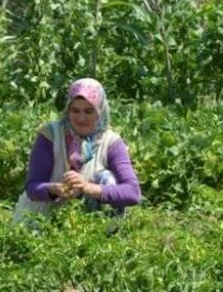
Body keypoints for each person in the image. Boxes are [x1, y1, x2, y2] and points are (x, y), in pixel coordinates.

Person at [13, 78, 141, 221]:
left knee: (108, 178)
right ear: (68, 111)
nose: (81, 118)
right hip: (41, 218)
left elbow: (133, 192)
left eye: (88, 111)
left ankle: (103, 230)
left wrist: (87, 187)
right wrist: (54, 189)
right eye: (75, 111)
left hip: (87, 223)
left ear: (99, 112)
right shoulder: (50, 135)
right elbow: (32, 188)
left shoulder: (111, 142)